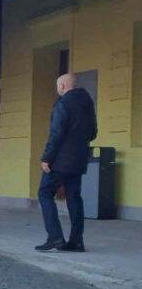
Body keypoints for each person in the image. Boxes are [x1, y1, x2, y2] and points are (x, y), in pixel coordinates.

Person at [36, 73, 97, 252]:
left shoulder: (63, 103)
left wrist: (46, 157)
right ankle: (76, 241)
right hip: (79, 159)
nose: (57, 89)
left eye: (57, 86)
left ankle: (55, 238)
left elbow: (56, 133)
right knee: (74, 197)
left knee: (44, 193)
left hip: (60, 160)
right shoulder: (88, 103)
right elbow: (93, 133)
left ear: (62, 86)